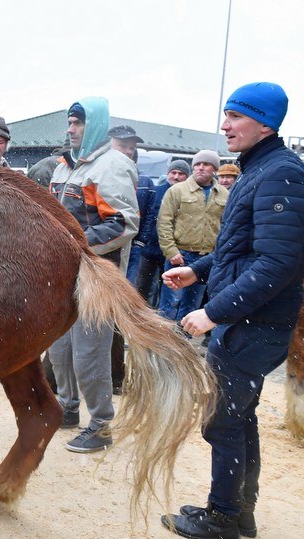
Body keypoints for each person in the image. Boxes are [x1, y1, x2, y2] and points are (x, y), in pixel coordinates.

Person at [161, 82, 304, 539]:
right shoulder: (262, 168)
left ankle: (222, 518)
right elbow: (243, 249)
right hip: (248, 317)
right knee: (240, 416)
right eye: (225, 115)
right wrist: (197, 270)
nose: (225, 125)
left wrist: (211, 312)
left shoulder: (280, 176)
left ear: (265, 123)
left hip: (255, 322)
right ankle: (240, 512)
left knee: (224, 419)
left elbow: (277, 264)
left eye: (236, 117)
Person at [47, 97, 138, 453]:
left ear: (95, 125)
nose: (71, 130)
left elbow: (123, 223)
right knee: (59, 349)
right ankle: (67, 408)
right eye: (69, 123)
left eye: (78, 123)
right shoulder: (63, 166)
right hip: (62, 275)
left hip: (95, 275)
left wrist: (74, 246)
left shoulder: (112, 165)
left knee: (90, 355)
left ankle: (101, 424)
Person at [106, 124, 155, 396]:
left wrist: (139, 242)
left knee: (116, 312)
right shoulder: (101, 170)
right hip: (102, 251)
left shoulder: (136, 176)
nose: (127, 151)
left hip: (124, 251)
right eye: (122, 145)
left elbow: (140, 217)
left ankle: (115, 375)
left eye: (131, 147)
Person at [156, 149, 229, 323]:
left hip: (206, 260)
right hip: (180, 255)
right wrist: (171, 251)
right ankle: (163, 343)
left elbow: (227, 226)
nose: (201, 168)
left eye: (206, 164)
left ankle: (183, 344)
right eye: (197, 164)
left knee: (192, 307)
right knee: (169, 304)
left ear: (214, 169)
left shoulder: (225, 195)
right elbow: (164, 222)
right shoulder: (177, 191)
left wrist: (218, 254)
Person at [134, 159, 190, 306]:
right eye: (173, 173)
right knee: (142, 288)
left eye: (181, 174)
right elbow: (147, 216)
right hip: (149, 250)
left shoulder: (189, 196)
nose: (176, 177)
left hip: (173, 254)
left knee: (167, 291)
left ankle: (160, 321)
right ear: (168, 174)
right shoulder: (158, 191)